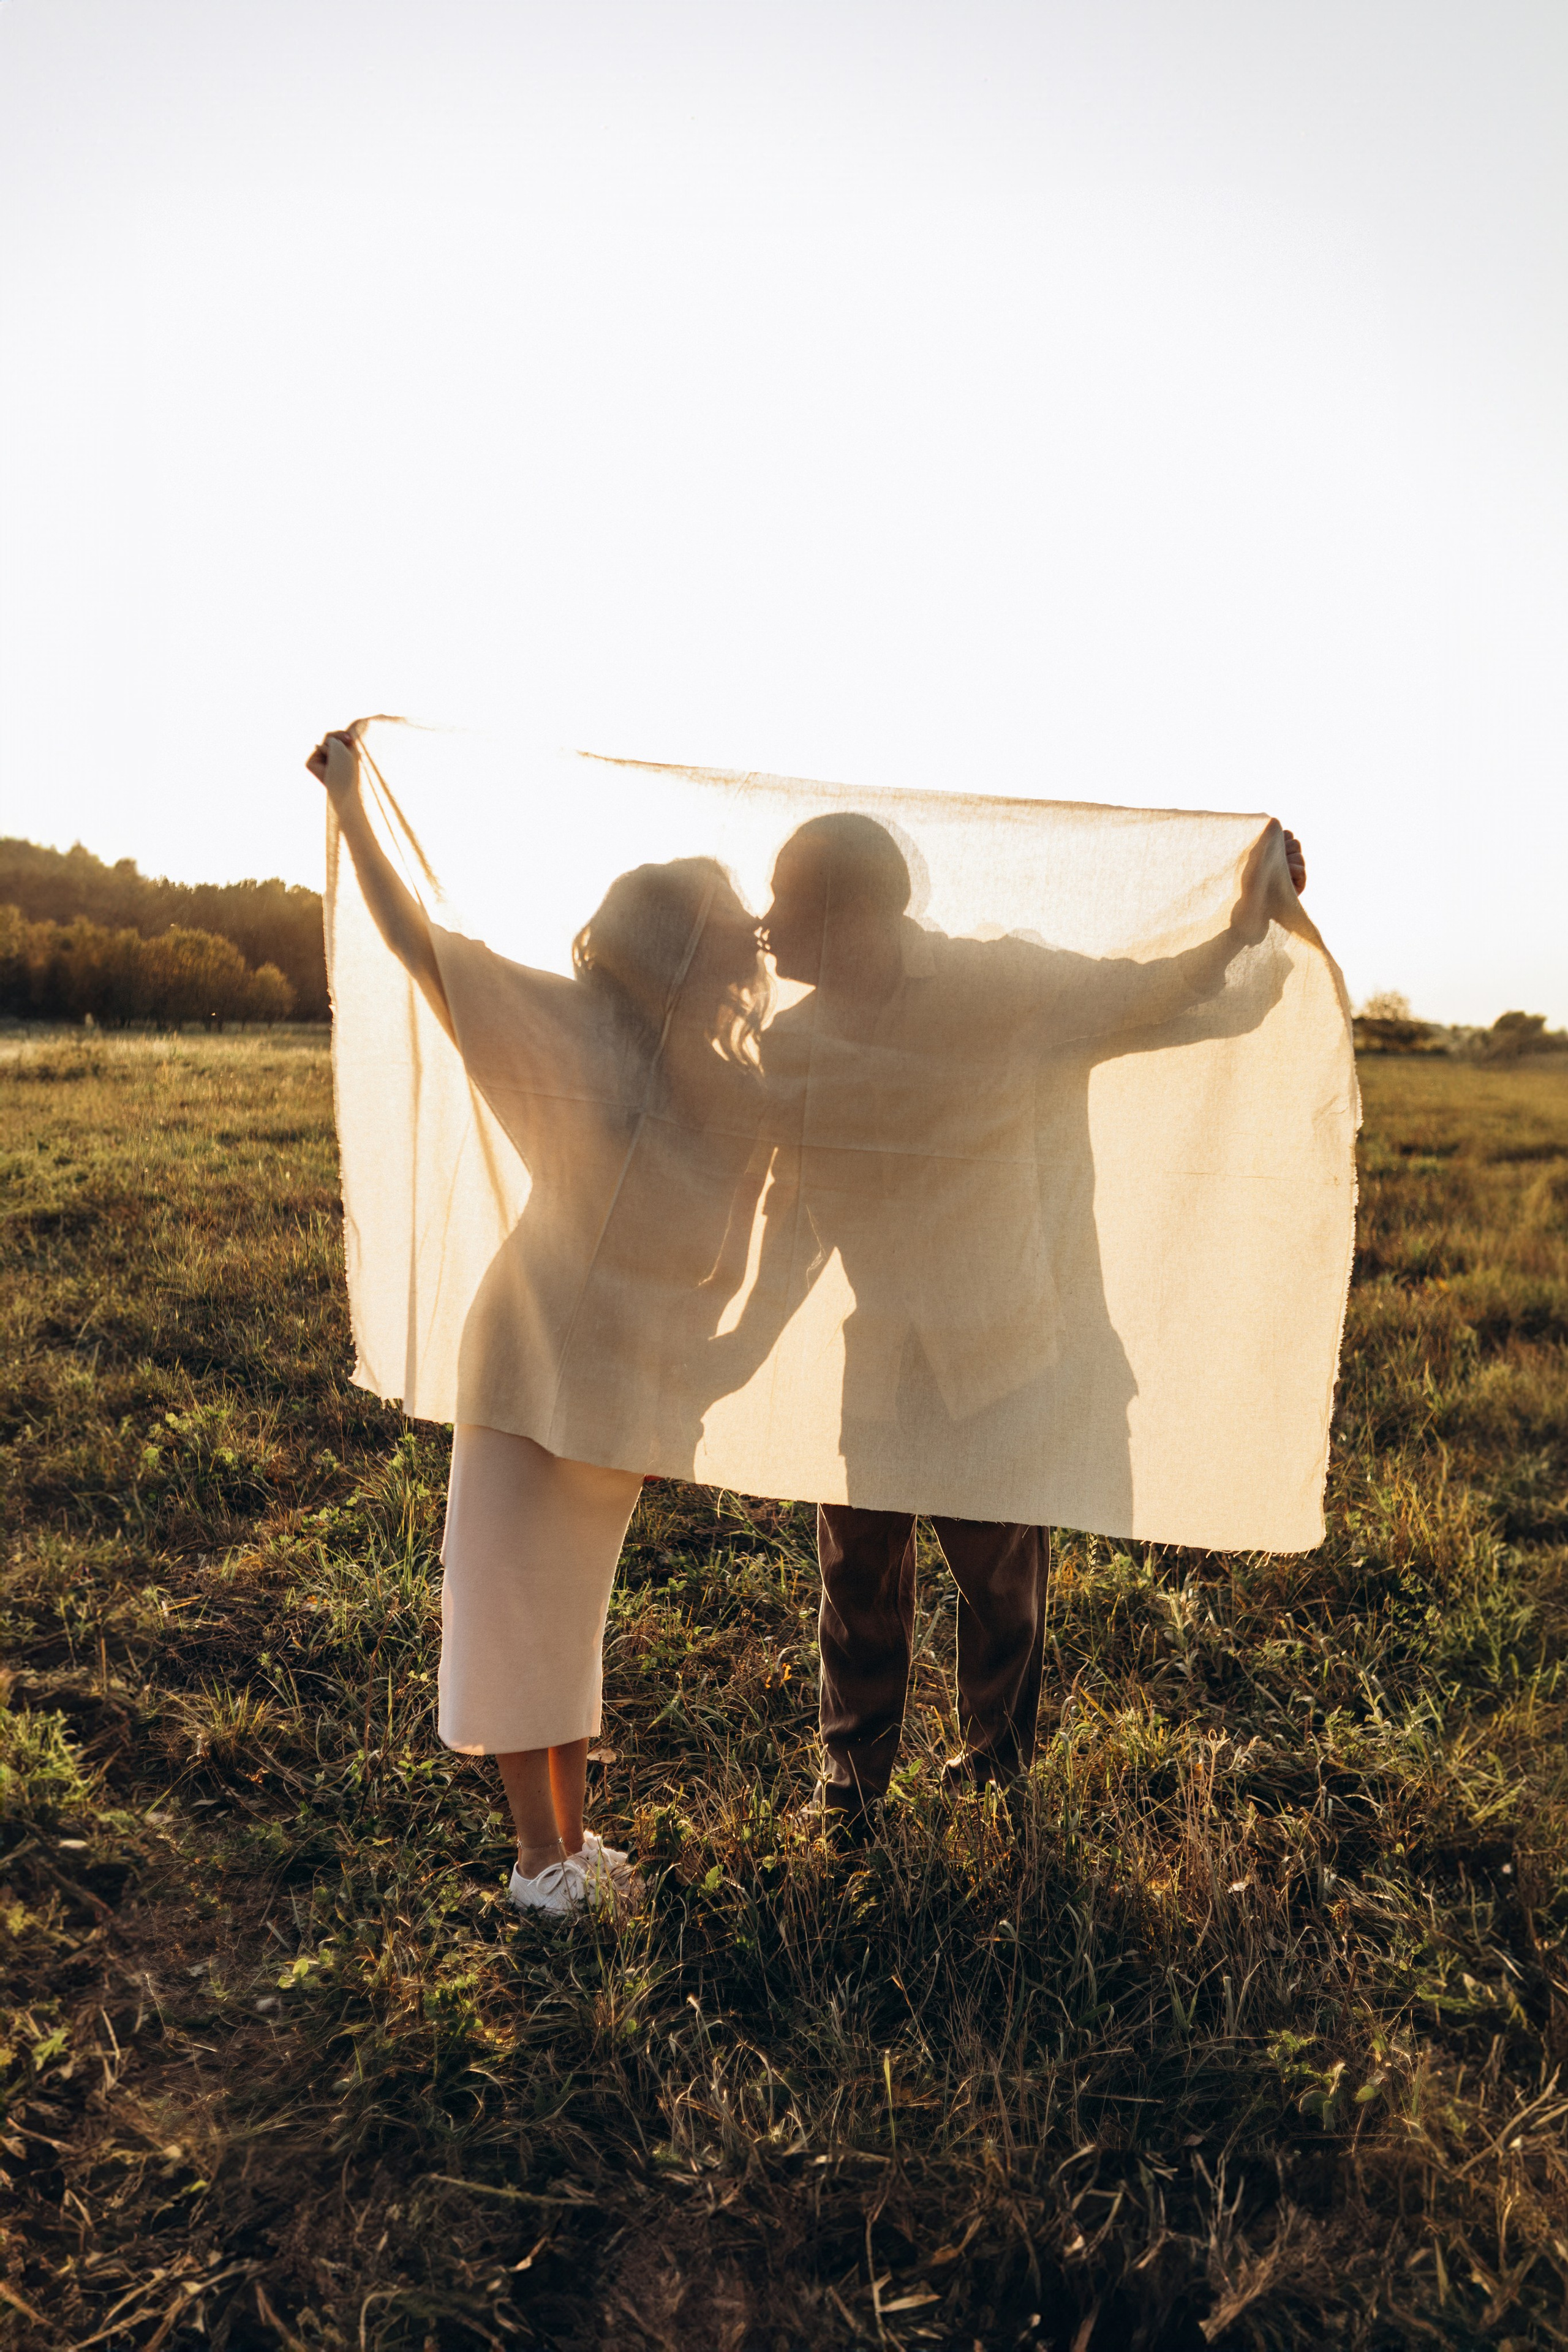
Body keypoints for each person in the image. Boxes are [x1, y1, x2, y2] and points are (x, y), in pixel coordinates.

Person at [712, 809, 1308, 1836]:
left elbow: (1153, 994)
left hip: (1006, 1347)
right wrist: (742, 1345)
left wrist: (1249, 917)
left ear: (857, 912)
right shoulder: (796, 1042)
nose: (773, 929)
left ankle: (996, 1769)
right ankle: (851, 1790)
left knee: (1004, 1593)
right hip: (882, 1355)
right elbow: (795, 1215)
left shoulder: (1002, 988)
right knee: (856, 1576)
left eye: (791, 906)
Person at [309, 728, 771, 1912]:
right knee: (527, 1602)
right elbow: (421, 947)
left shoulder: (716, 1074)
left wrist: (707, 1360)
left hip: (608, 1366)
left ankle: (564, 1846)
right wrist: (357, 812)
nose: (741, 963)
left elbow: (745, 1241)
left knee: (559, 1611)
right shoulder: (603, 1039)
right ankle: (540, 1860)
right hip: (553, 1355)